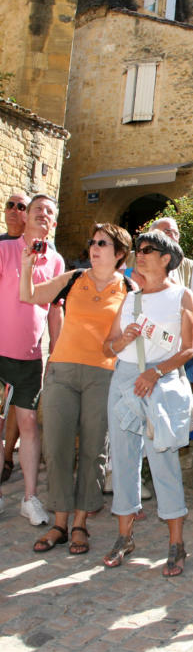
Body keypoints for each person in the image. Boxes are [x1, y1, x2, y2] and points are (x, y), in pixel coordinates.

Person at [19, 223, 133, 554]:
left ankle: (80, 523)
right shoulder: (74, 279)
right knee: (56, 447)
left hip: (102, 375)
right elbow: (29, 295)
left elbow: (122, 339)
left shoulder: (128, 289)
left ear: (119, 254)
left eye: (103, 243)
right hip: (62, 373)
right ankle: (59, 523)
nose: (94, 247)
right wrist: (28, 264)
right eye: (92, 241)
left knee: (94, 449)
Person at [102, 230, 193, 576]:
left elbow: (189, 349)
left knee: (163, 459)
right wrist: (121, 340)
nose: (139, 255)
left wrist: (155, 372)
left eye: (147, 250)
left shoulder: (182, 296)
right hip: (126, 379)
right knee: (124, 459)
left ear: (166, 258)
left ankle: (176, 543)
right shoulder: (131, 299)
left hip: (160, 379)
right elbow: (106, 347)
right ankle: (124, 537)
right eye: (138, 250)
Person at [0, 194, 64, 522]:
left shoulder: (55, 261)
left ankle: (29, 498)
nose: (43, 214)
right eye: (37, 208)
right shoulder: (4, 250)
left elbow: (55, 311)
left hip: (29, 358)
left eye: (49, 212)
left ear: (53, 224)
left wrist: (56, 350)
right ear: (26, 217)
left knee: (28, 424)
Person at [1, 192, 30, 485]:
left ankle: (8, 455)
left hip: (25, 345)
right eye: (10, 205)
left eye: (20, 206)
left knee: (17, 405)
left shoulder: (38, 251)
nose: (13, 210)